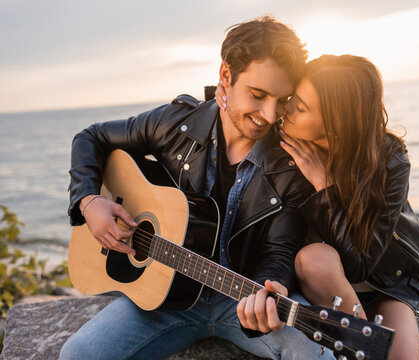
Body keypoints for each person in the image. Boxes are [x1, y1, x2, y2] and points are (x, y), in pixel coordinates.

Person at [60, 17, 335, 360]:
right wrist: (88, 201)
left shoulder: (290, 163)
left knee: (318, 355)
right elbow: (92, 137)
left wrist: (271, 287)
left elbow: (279, 250)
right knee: (78, 355)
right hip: (163, 300)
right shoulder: (177, 124)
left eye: (282, 100)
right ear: (225, 75)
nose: (268, 114)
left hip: (238, 298)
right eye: (258, 95)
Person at [216, 55, 419, 360]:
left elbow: (362, 264)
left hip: (384, 283)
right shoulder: (285, 145)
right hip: (322, 281)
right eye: (294, 99)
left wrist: (324, 185)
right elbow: (246, 109)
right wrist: (221, 93)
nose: (286, 109)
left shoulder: (389, 160)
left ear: (336, 121)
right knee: (315, 258)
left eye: (302, 107)